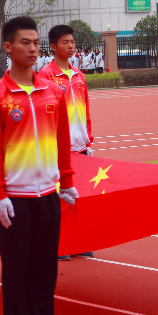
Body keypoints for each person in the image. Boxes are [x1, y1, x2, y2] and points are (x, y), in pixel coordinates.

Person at [0, 16, 77, 315]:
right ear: (8, 47)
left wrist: (66, 181)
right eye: (25, 42)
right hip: (15, 199)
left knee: (44, 269)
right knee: (17, 269)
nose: (33, 48)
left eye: (36, 42)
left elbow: (63, 140)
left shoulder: (53, 91)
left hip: (47, 196)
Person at [39, 24, 94, 261]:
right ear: (53, 47)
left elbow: (85, 110)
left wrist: (88, 139)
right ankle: (57, 244)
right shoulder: (46, 76)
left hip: (80, 146)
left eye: (72, 42)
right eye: (65, 42)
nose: (71, 46)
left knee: (77, 195)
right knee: (57, 197)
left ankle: (78, 242)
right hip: (57, 148)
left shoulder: (79, 76)